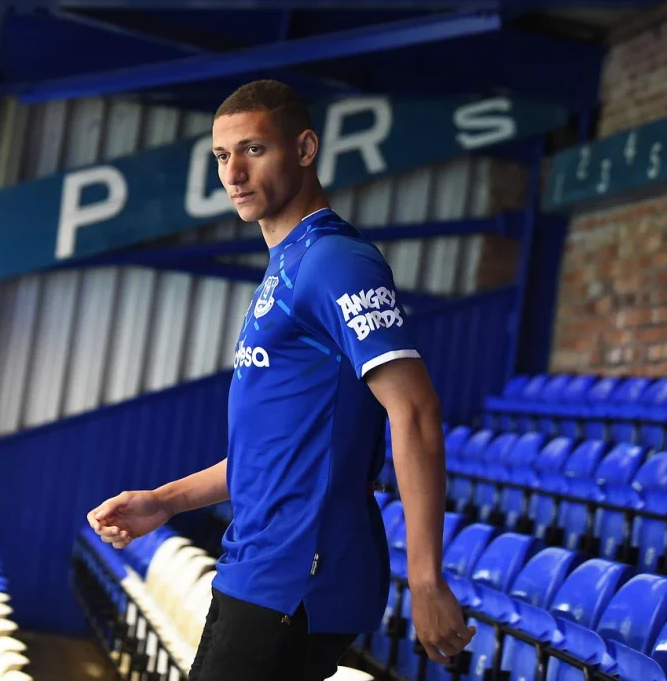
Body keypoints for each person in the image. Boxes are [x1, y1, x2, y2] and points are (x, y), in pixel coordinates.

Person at [86, 79, 473, 680]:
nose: (233, 173)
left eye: (253, 150)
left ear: (305, 148)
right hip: (255, 565)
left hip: (298, 572)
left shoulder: (336, 262)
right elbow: (271, 453)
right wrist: (162, 502)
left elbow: (415, 410)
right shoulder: (287, 268)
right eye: (221, 156)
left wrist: (425, 579)